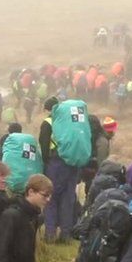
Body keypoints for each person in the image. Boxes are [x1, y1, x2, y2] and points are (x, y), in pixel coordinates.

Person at [40, 97, 78, 243]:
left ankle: (50, 235)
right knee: (68, 199)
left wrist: (45, 164)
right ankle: (66, 235)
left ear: (49, 109)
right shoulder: (69, 122)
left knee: (51, 198)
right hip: (72, 162)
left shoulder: (49, 122)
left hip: (55, 163)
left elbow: (44, 146)